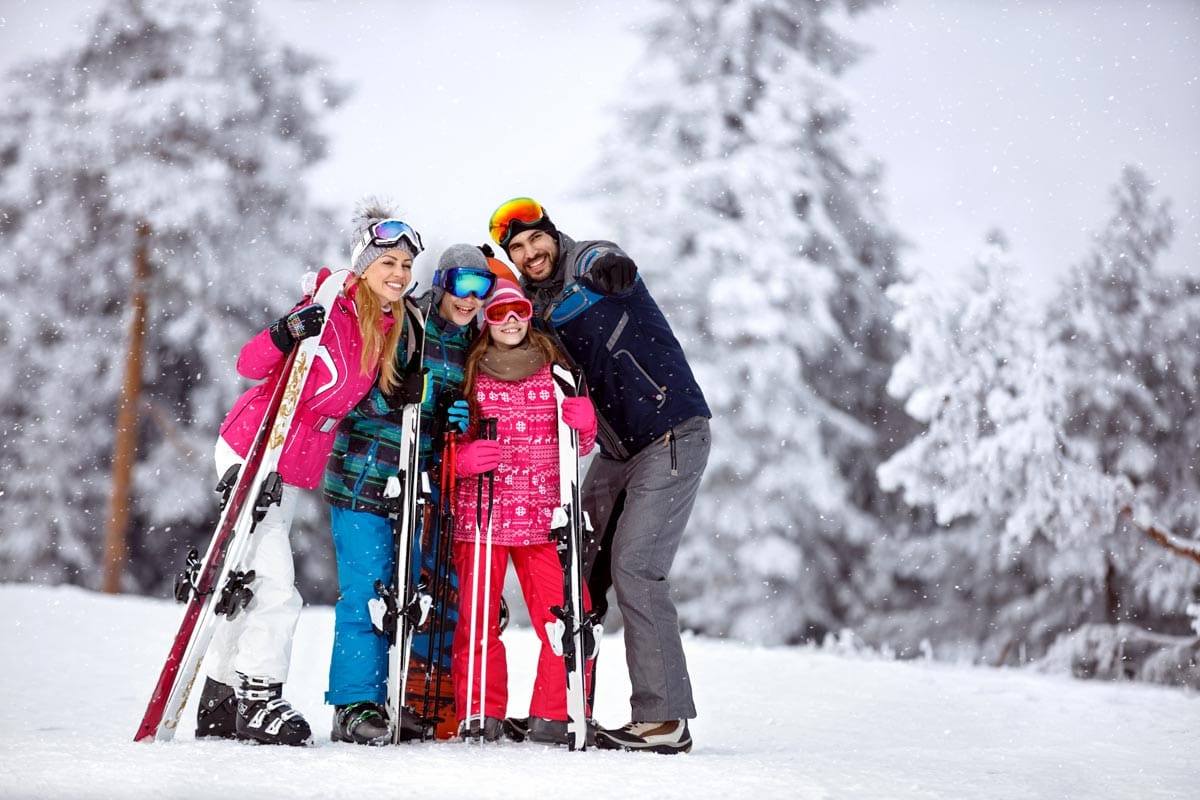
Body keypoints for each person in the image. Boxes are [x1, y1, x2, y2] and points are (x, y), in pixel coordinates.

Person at [487, 197, 711, 754]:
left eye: (535, 239)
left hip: (669, 434)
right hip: (615, 453)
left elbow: (608, 261)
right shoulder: (533, 308)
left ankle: (665, 720)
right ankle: (559, 709)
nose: (530, 252)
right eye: (517, 248)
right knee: (573, 572)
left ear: (552, 234)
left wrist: (616, 269)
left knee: (636, 567)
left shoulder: (590, 263)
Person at [195, 201, 416, 746]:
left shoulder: (385, 328)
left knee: (251, 582)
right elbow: (250, 366)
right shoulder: (329, 307)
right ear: (363, 265)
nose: (399, 273)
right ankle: (259, 696)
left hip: (293, 469)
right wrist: (286, 330)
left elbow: (342, 400)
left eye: (407, 265)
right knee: (279, 589)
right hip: (254, 450)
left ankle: (219, 701)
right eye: (387, 261)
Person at [321, 242, 499, 745]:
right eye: (461, 284)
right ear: (441, 282)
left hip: (421, 484)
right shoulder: (403, 322)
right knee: (370, 591)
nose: (469, 298)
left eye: (480, 288)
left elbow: (454, 412)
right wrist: (393, 398)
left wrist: (457, 418)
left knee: (418, 594)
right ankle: (355, 706)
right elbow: (350, 396)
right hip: (365, 475)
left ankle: (407, 697)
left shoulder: (473, 346)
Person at [449, 280, 598, 744]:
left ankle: (555, 712)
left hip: (542, 516)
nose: (510, 320)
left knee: (570, 615)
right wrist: (461, 459)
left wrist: (586, 426)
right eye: (499, 312)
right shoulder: (469, 371)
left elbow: (579, 446)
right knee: (477, 619)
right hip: (483, 514)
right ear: (486, 320)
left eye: (518, 310)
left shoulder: (556, 368)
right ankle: (480, 710)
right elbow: (447, 440)